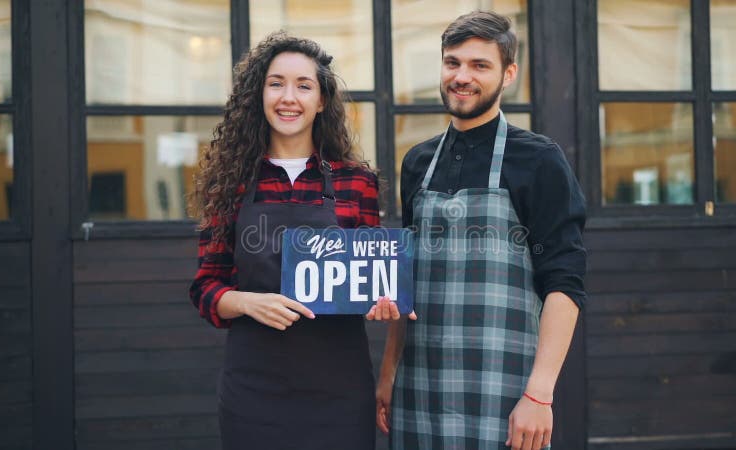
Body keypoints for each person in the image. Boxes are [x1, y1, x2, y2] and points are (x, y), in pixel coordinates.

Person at [369, 10, 587, 450]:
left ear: (508, 74)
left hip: (504, 391)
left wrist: (539, 394)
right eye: (453, 63)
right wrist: (389, 373)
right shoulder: (416, 162)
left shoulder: (539, 159)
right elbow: (405, 280)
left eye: (479, 65)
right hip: (419, 389)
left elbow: (565, 283)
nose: (461, 76)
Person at [189, 31, 379, 450]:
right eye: (276, 83)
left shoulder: (358, 184)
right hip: (255, 391)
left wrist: (382, 299)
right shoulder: (231, 184)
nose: (288, 97)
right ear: (259, 94)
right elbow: (205, 287)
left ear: (322, 100)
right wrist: (247, 302)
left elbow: (373, 274)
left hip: (339, 391)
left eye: (303, 85)